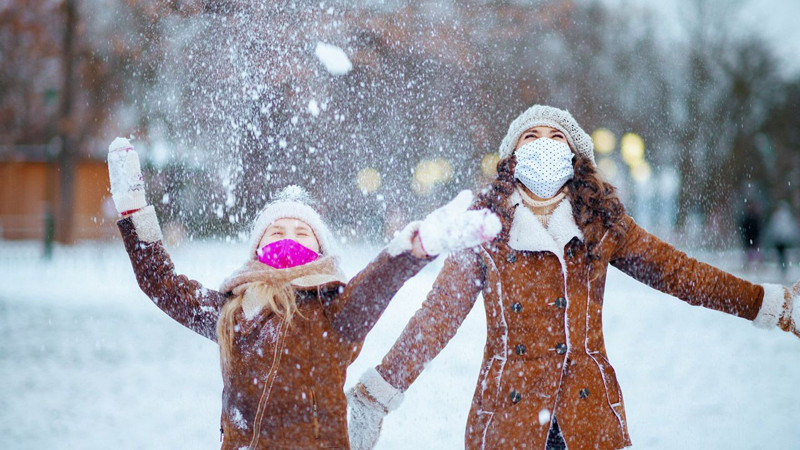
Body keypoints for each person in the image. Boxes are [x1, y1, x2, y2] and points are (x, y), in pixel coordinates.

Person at [346, 105, 800, 450]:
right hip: (507, 418)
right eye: (531, 136)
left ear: (574, 154)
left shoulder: (601, 222)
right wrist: (380, 391)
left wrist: (771, 304)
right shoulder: (483, 227)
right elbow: (437, 316)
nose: (543, 144)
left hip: (588, 415)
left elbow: (680, 273)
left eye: (555, 136)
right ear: (512, 155)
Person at [106, 137, 500, 449]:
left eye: (301, 232)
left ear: (320, 251)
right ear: (257, 249)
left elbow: (377, 284)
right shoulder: (233, 312)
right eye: (276, 231)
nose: (288, 238)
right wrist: (133, 211)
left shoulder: (336, 313)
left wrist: (416, 247)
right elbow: (162, 284)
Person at [765, 201, 800, 277]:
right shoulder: (787, 217)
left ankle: (782, 266)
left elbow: (774, 228)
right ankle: (783, 267)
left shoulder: (777, 216)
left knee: (781, 254)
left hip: (780, 239)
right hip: (783, 239)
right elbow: (790, 228)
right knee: (783, 254)